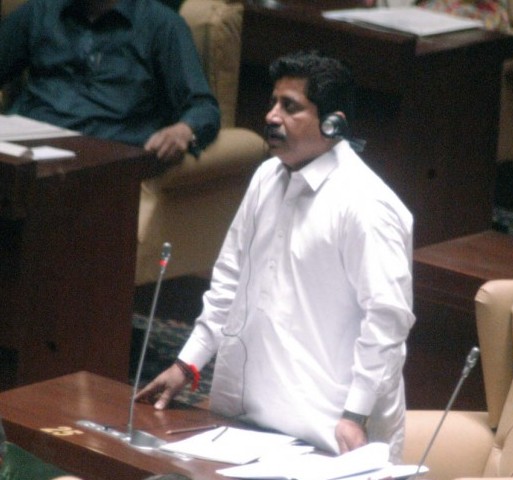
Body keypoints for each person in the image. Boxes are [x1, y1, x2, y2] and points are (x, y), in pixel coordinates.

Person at [136, 51, 415, 462]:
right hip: (251, 417)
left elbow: (386, 323)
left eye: (290, 107)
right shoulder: (266, 177)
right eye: (272, 103)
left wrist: (355, 414)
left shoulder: (367, 205)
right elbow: (230, 281)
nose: (271, 116)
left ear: (333, 123)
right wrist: (187, 364)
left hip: (332, 431)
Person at [0, 0, 220, 163]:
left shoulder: (162, 26)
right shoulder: (41, 12)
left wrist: (182, 131)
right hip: (24, 153)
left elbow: (203, 107)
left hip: (104, 162)